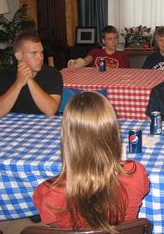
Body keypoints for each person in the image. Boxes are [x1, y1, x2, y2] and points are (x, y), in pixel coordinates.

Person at [33, 91, 150, 231]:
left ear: (67, 138)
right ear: (113, 132)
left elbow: (56, 227)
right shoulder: (135, 172)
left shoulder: (47, 193)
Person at [0, 32, 63, 118]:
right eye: (34, 53)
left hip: (44, 126)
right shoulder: (3, 75)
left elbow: (50, 111)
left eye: (41, 52)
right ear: (18, 55)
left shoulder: (53, 74)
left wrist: (29, 79)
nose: (40, 57)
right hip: (12, 126)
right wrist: (18, 83)